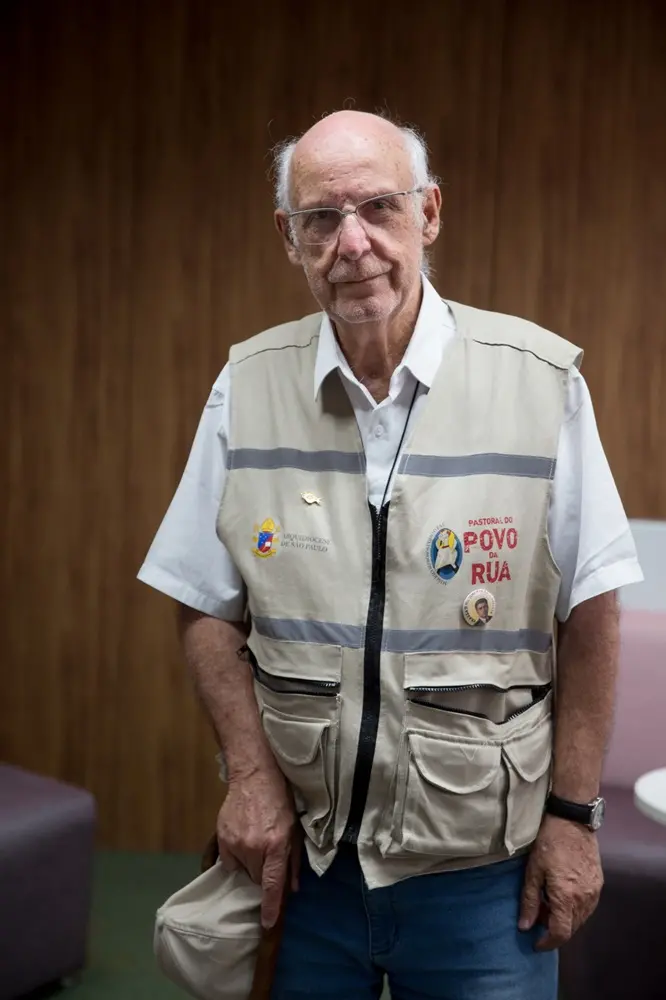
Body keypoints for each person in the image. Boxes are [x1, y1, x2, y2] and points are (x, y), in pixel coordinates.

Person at [138, 110, 643, 1000]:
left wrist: (573, 818)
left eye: (378, 208)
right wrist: (251, 778)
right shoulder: (245, 386)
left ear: (431, 214)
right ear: (288, 238)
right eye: (321, 220)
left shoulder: (541, 381)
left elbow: (592, 612)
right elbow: (203, 600)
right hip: (307, 869)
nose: (353, 242)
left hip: (485, 878)